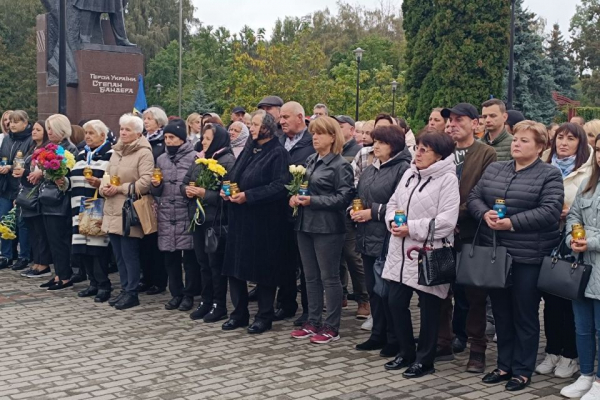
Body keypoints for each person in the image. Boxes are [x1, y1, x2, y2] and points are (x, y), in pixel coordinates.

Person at [468, 120, 563, 391]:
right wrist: (482, 212)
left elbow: (550, 211)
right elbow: (475, 196)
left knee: (524, 313)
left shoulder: (549, 174)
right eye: (516, 139)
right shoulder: (496, 168)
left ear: (540, 147)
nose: (517, 144)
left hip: (527, 257)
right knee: (501, 312)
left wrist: (513, 222)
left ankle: (522, 369)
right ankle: (503, 365)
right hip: (496, 253)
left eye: (525, 140)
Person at [383, 132, 459, 378]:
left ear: (439, 155)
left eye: (425, 149)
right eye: (418, 147)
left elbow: (447, 222)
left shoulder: (447, 179)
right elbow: (393, 203)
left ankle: (425, 360)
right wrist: (393, 222)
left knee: (429, 310)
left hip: (429, 253)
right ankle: (406, 352)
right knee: (394, 302)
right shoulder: (408, 173)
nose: (418, 153)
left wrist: (412, 228)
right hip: (400, 252)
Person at [437, 103, 497, 373]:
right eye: (449, 120)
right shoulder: (441, 152)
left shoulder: (486, 153)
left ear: (475, 124)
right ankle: (443, 342)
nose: (452, 124)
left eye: (459, 120)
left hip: (472, 232)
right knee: (440, 289)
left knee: (474, 295)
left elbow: (483, 193)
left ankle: (477, 349)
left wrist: (455, 218)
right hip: (442, 234)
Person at [221, 111, 291, 334]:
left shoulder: (278, 153)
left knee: (263, 270)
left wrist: (249, 196)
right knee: (235, 268)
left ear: (268, 127)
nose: (250, 127)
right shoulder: (250, 149)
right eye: (250, 124)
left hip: (265, 222)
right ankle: (239, 313)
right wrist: (227, 191)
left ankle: (264, 316)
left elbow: (280, 185)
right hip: (240, 219)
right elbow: (234, 176)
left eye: (255, 124)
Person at [289, 116, 354, 344]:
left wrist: (313, 201)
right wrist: (294, 198)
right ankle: (313, 320)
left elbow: (344, 197)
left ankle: (331, 326)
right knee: (310, 277)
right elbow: (303, 188)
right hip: (304, 224)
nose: (314, 137)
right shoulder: (310, 160)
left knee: (329, 277)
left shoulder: (340, 165)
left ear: (333, 137)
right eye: (313, 133)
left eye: (320, 133)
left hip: (327, 228)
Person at [535, 123, 592, 378]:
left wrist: (570, 214)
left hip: (573, 243)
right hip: (546, 240)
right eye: (560, 137)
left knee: (569, 299)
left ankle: (571, 355)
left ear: (581, 143)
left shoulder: (588, 172)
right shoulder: (545, 165)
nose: (563, 142)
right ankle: (552, 351)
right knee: (550, 301)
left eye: (570, 138)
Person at [352, 125, 411, 358]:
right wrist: (353, 209)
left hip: (387, 237)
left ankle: (394, 337)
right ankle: (378, 333)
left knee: (387, 292)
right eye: (374, 141)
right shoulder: (370, 169)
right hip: (367, 236)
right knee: (373, 290)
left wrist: (372, 212)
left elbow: (403, 205)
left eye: (381, 142)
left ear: (394, 145)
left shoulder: (403, 169)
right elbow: (359, 196)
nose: (374, 146)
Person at [101, 114, 154, 310]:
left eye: (127, 129)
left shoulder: (144, 152)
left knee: (129, 253)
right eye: (121, 129)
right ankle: (124, 289)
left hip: (128, 209)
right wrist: (103, 188)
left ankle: (132, 292)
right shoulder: (116, 151)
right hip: (112, 206)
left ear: (138, 133)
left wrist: (121, 189)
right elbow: (107, 175)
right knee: (118, 254)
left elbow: (145, 182)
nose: (123, 132)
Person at [561, 138, 600, 399]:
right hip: (581, 267)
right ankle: (585, 374)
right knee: (582, 326)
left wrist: (592, 240)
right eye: (599, 150)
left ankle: (598, 381)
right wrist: (571, 238)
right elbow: (573, 215)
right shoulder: (589, 184)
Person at [185, 123, 236, 323]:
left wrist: (205, 193)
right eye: (203, 138)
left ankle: (219, 304)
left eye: (207, 139)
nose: (203, 142)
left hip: (215, 220)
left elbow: (228, 192)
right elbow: (186, 181)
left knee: (215, 264)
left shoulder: (227, 161)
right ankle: (206, 301)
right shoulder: (200, 159)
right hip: (198, 218)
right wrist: (187, 190)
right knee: (203, 263)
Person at [151, 119, 199, 312]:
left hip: (185, 211)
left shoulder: (194, 157)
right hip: (166, 213)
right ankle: (175, 293)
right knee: (170, 257)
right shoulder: (161, 159)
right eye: (166, 138)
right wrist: (156, 186)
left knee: (189, 257)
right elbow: (157, 188)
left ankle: (189, 294)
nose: (168, 141)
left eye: (172, 137)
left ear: (181, 139)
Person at [275, 102, 315, 324]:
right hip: (279, 211)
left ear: (300, 117)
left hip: (303, 211)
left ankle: (310, 309)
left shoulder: (311, 142)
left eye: (286, 117)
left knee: (305, 262)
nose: (282, 121)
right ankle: (286, 303)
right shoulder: (280, 141)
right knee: (284, 260)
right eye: (281, 117)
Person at [70, 120, 113, 302]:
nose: (87, 136)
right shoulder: (81, 154)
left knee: (97, 247)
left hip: (97, 206)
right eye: (86, 133)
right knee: (83, 247)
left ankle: (104, 285)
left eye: (91, 133)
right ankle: (92, 283)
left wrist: (100, 182)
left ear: (103, 136)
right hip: (78, 205)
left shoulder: (110, 155)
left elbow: (113, 179)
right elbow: (72, 178)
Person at [334, 115, 369, 318]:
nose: (338, 129)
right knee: (336, 257)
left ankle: (363, 299)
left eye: (341, 126)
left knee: (353, 257)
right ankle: (341, 295)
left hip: (349, 211)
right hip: (332, 213)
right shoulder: (333, 150)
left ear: (352, 130)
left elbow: (358, 185)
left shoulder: (358, 151)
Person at [38, 114, 77, 290]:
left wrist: (56, 175)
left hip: (60, 201)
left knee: (60, 240)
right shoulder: (51, 147)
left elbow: (71, 173)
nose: (49, 132)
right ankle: (58, 274)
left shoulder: (69, 149)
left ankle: (65, 275)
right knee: (52, 240)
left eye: (52, 128)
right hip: (48, 199)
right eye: (48, 129)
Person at [0, 110, 34, 270]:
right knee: (4, 221)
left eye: (16, 122)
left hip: (22, 187)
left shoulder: (30, 139)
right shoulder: (7, 139)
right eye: (10, 122)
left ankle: (24, 256)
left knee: (21, 222)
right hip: (6, 187)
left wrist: (11, 167)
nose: (12, 125)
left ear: (25, 123)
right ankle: (6, 255)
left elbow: (28, 161)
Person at [140, 106, 168, 295]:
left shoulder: (163, 143)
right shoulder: (141, 141)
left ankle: (159, 280)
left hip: (158, 195)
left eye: (149, 118)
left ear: (159, 121)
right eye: (144, 118)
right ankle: (146, 277)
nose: (146, 121)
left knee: (156, 240)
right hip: (143, 195)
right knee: (144, 239)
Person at [18, 121, 52, 279]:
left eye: (38, 129)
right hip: (27, 191)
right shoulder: (31, 147)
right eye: (33, 129)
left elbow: (39, 172)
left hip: (38, 193)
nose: (34, 132)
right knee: (32, 229)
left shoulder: (47, 148)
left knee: (40, 230)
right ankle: (36, 262)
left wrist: (24, 172)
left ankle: (43, 264)